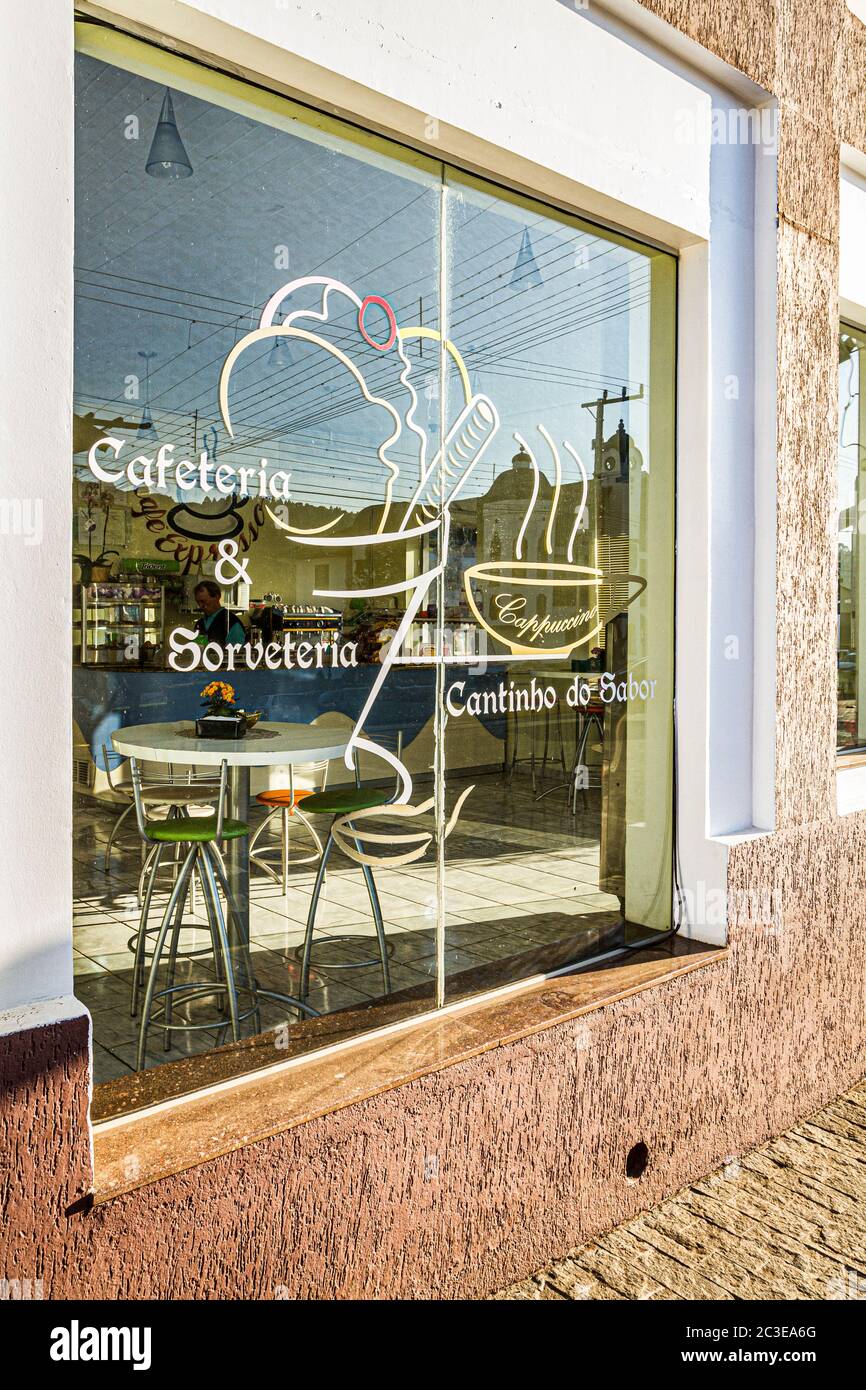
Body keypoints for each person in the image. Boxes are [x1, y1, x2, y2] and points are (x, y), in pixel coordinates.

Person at [193, 579, 247, 648]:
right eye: (198, 602)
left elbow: (235, 654)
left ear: (217, 596)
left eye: (203, 601)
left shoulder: (232, 622)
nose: (200, 606)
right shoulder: (199, 624)